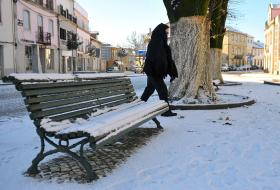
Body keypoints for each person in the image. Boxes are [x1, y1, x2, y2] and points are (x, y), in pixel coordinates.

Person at [140, 23, 178, 117]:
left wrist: (171, 71)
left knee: (149, 89)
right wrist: (161, 70)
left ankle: (138, 105)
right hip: (153, 71)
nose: (167, 34)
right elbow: (156, 58)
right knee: (163, 91)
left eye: (167, 32)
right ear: (161, 32)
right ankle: (166, 111)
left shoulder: (162, 43)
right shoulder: (155, 42)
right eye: (166, 32)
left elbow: (167, 59)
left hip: (155, 71)